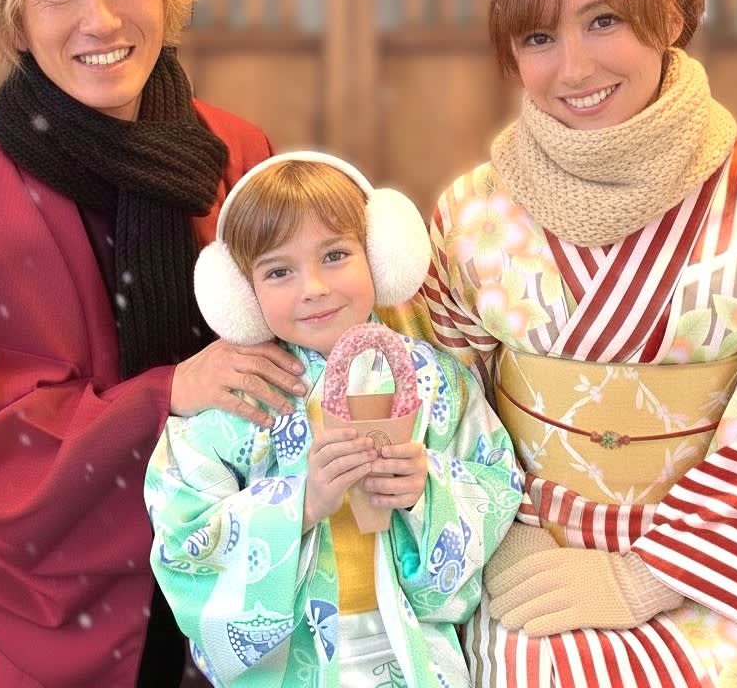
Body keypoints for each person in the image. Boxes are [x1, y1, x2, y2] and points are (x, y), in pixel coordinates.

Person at [389, 0, 737, 687]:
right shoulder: (470, 211)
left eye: (603, 21)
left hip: (726, 560)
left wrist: (645, 576)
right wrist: (503, 538)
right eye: (538, 37)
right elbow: (442, 400)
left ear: (670, 17)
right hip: (528, 547)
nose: (574, 68)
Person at [0, 0, 308, 688]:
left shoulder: (235, 151)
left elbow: (309, 334)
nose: (101, 18)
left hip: (258, 590)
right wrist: (166, 397)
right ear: (14, 23)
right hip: (105, 630)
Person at [144, 152, 523, 687]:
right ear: (241, 294)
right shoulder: (232, 402)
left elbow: (497, 483)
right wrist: (299, 504)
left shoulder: (435, 382)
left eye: (336, 255)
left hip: (413, 647)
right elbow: (181, 541)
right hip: (287, 665)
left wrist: (427, 490)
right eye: (279, 271)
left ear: (380, 256)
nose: (314, 288)